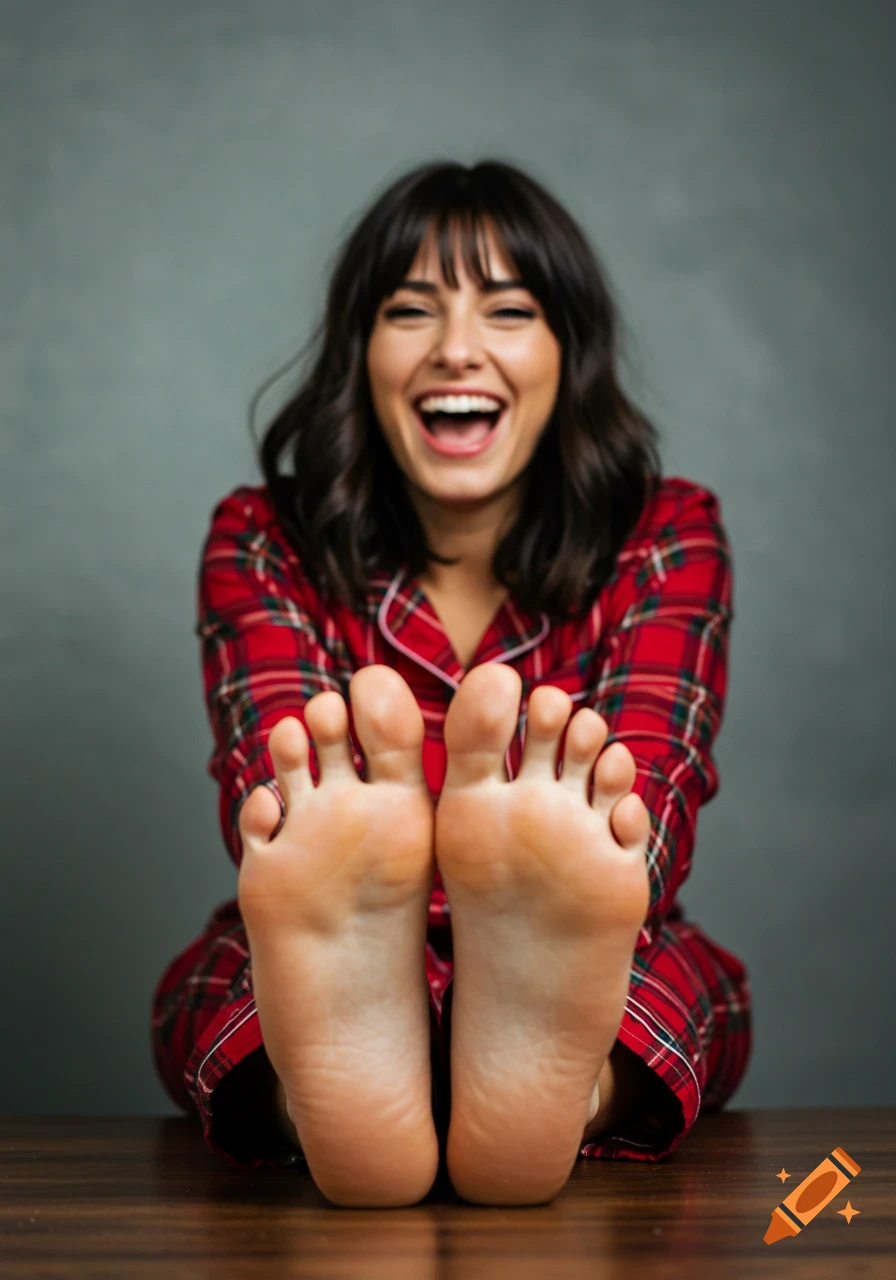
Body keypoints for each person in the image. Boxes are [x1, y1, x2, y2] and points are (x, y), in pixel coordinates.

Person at [151, 158, 752, 1208]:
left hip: (585, 953)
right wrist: (374, 933)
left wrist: (524, 922)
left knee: (653, 971)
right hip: (334, 944)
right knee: (238, 984)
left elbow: (645, 809)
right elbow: (280, 806)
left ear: (569, 352)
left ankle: (558, 1088)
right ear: (360, 351)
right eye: (409, 310)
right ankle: (336, 1082)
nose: (456, 348)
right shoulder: (265, 537)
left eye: (509, 309)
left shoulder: (662, 534)